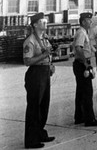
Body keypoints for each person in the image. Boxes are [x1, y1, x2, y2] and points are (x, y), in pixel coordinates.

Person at [23, 12, 55, 149]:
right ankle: (31, 139)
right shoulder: (30, 41)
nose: (45, 23)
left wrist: (50, 64)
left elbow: (48, 54)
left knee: (44, 106)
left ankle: (40, 132)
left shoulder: (44, 39)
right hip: (35, 75)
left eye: (46, 21)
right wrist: (44, 56)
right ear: (35, 24)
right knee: (34, 108)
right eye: (43, 22)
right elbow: (27, 61)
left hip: (45, 72)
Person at [72, 12, 97, 127]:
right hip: (82, 64)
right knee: (87, 92)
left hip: (81, 64)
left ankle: (79, 116)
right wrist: (85, 63)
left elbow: (87, 46)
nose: (91, 22)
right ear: (84, 21)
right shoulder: (81, 32)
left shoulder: (84, 32)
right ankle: (89, 119)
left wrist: (95, 51)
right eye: (89, 20)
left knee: (81, 92)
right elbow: (79, 48)